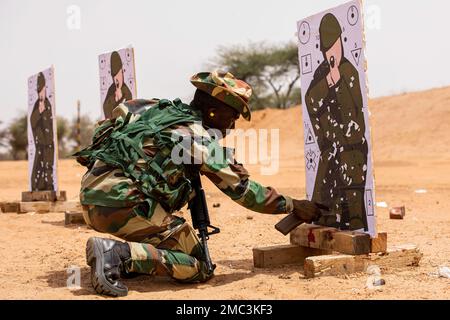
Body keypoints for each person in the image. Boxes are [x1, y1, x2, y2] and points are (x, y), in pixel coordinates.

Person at [76, 71, 325, 297]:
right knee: (198, 267)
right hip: (123, 205)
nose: (233, 125)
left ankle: (134, 256)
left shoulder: (150, 108)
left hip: (91, 197)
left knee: (168, 230)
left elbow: (104, 129)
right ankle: (118, 255)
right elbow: (245, 192)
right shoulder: (199, 140)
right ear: (214, 110)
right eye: (232, 116)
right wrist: (293, 205)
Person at [305, 13, 368, 231]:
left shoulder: (349, 70)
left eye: (336, 45)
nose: (333, 52)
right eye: (328, 48)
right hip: (330, 148)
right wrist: (328, 81)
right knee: (324, 206)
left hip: (352, 148)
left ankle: (355, 230)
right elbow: (311, 100)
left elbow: (353, 109)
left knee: (353, 211)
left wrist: (338, 81)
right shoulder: (322, 72)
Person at [29, 72, 55, 191]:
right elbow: (33, 120)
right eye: (40, 91)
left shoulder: (48, 104)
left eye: (43, 90)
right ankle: (37, 187)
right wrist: (39, 112)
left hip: (49, 143)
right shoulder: (37, 105)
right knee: (39, 167)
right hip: (41, 144)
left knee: (49, 166)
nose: (42, 93)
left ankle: (49, 186)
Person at [102, 51, 133, 119]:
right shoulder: (111, 89)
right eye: (114, 76)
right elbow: (105, 106)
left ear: (122, 72)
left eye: (118, 74)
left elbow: (130, 111)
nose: (116, 79)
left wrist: (121, 99)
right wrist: (114, 100)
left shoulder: (126, 91)